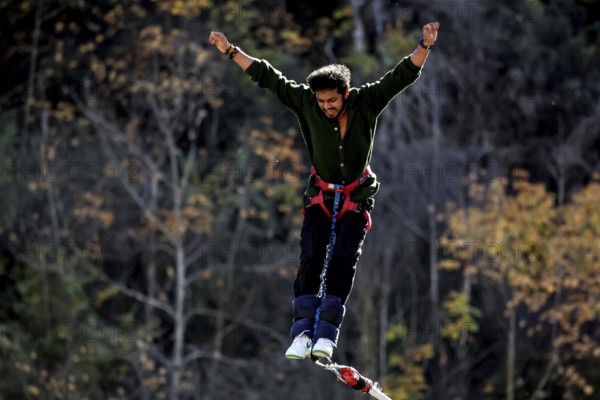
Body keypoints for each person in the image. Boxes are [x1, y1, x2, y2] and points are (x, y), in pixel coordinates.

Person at [209, 22, 439, 360]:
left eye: (332, 100)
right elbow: (267, 75)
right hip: (320, 195)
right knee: (312, 256)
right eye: (321, 101)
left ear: (345, 94)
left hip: (356, 198)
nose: (326, 107)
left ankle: (326, 336)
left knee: (343, 260)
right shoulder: (306, 103)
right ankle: (302, 332)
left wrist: (425, 45)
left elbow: (402, 75)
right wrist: (230, 50)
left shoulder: (366, 102)